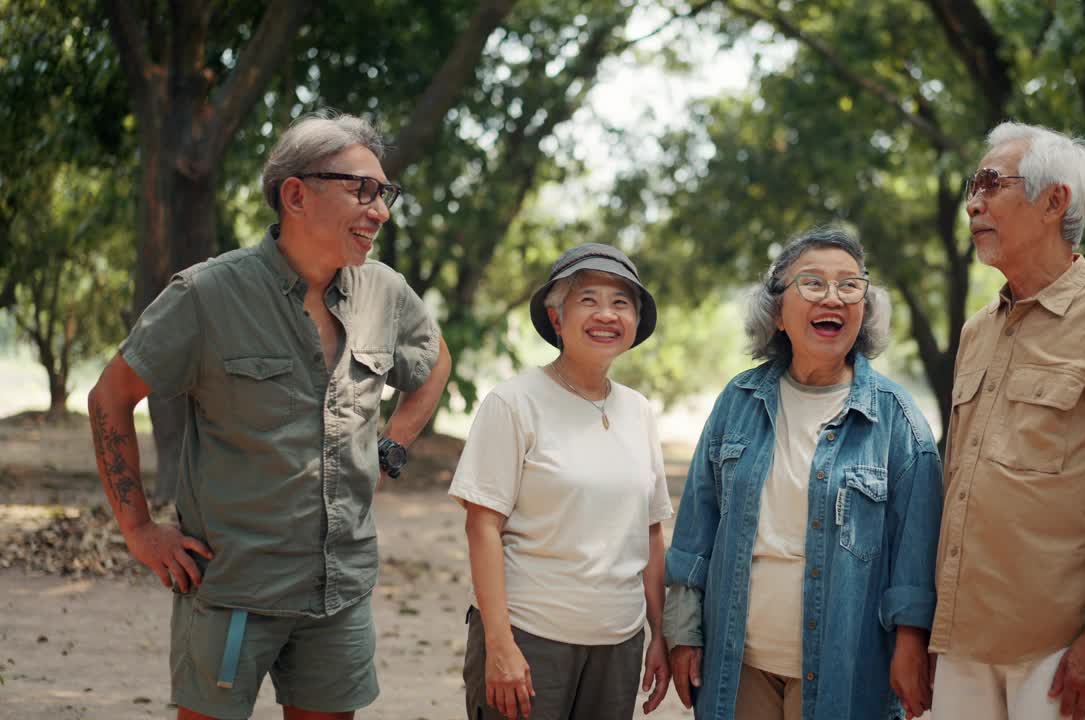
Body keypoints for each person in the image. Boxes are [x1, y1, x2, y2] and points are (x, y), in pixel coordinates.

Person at [87, 110, 452, 720]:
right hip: (233, 589)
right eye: (363, 190)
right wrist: (139, 530)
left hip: (340, 590)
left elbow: (435, 360)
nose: (380, 211)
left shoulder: (385, 292)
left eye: (385, 194)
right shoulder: (207, 295)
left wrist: (395, 444)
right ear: (296, 195)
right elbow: (110, 398)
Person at [928, 122, 1085, 720]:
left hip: (1061, 646)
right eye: (972, 185)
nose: (974, 202)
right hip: (964, 640)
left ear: (1054, 201)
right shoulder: (977, 330)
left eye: (991, 183)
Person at [663, 226, 943, 720]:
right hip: (739, 665)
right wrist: (684, 631)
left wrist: (911, 645)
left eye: (849, 285)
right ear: (777, 313)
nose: (832, 297)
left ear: (866, 307)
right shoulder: (738, 402)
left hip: (847, 672)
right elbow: (697, 528)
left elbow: (915, 556)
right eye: (812, 283)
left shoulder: (899, 422)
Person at [448, 243, 672, 720]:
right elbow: (482, 526)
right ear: (556, 318)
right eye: (588, 299)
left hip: (618, 644)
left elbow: (650, 531)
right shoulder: (513, 404)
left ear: (634, 322)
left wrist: (660, 634)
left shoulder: (640, 412)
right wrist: (500, 645)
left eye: (621, 302)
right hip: (531, 639)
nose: (606, 314)